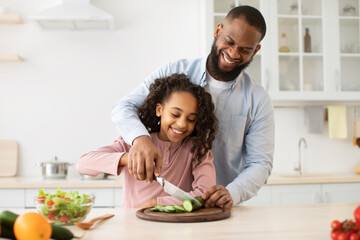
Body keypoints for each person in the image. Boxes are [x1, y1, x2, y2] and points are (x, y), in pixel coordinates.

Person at [111, 5, 274, 210]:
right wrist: (141, 139)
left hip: (218, 209)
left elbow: (260, 163)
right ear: (218, 31)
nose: (233, 54)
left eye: (245, 50)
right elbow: (123, 107)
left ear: (256, 50)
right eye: (229, 42)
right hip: (166, 206)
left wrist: (233, 192)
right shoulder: (175, 71)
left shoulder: (258, 99)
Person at [77, 74, 217, 208]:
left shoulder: (198, 150)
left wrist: (158, 203)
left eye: (191, 119)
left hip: (177, 226)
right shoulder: (134, 143)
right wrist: (129, 158)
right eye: (175, 114)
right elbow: (83, 164)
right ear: (159, 110)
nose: (182, 124)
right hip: (133, 225)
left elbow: (205, 195)